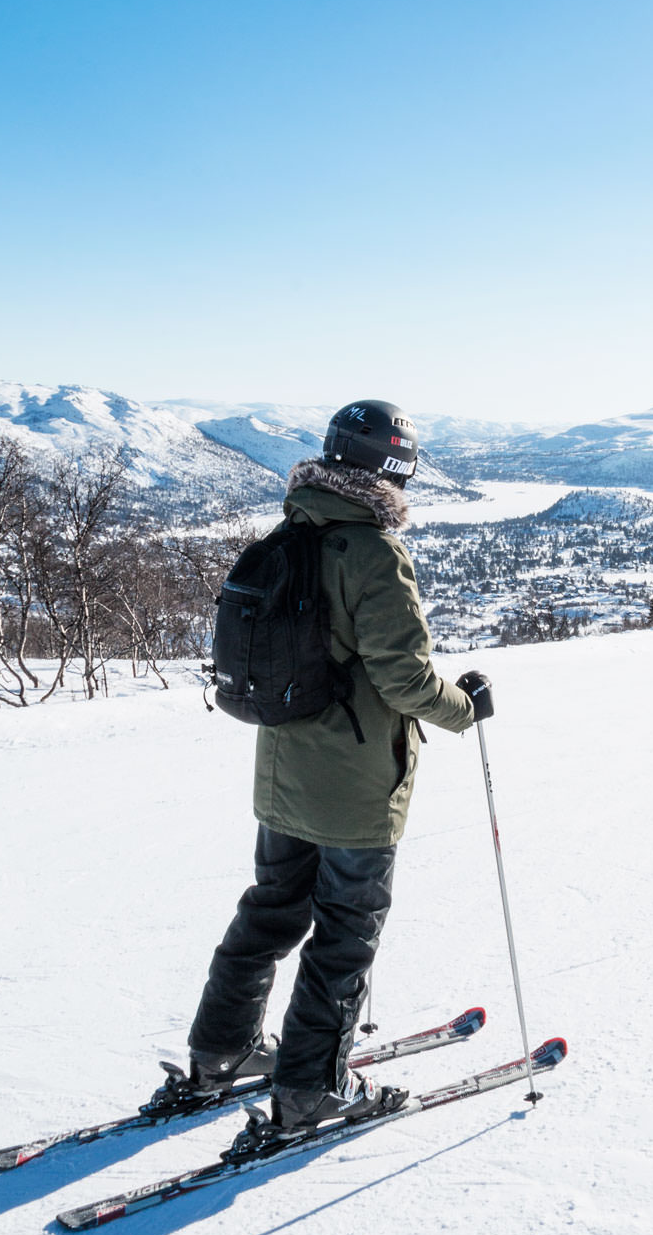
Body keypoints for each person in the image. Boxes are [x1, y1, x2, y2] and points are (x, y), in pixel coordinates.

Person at [186, 399, 493, 1134]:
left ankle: (217, 1054)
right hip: (354, 786)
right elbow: (406, 681)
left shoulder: (293, 531)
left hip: (282, 768)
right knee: (346, 931)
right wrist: (466, 709)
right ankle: (309, 1092)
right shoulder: (373, 552)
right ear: (393, 468)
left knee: (270, 911)